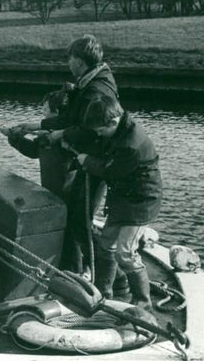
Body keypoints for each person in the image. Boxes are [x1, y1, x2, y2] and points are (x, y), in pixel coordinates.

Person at [5, 34, 119, 277]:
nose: (68, 64)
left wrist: (56, 135)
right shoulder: (91, 82)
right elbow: (72, 120)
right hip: (86, 162)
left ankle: (106, 278)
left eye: (70, 59)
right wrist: (36, 126)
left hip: (91, 163)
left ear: (79, 60)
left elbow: (86, 128)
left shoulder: (95, 89)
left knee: (79, 223)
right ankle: (78, 272)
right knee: (77, 222)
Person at [69, 93, 162, 308]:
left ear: (112, 122)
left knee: (125, 253)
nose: (99, 135)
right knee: (106, 245)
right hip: (123, 199)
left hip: (141, 203)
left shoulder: (131, 144)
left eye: (101, 131)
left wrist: (87, 161)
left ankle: (142, 300)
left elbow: (110, 171)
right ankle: (104, 293)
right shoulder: (118, 130)